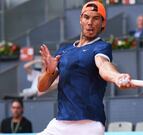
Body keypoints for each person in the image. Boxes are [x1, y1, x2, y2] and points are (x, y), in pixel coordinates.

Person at [37, 1, 135, 135]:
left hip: (89, 124)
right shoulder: (63, 51)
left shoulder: (101, 47)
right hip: (60, 124)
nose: (90, 22)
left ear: (103, 23)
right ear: (80, 19)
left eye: (96, 18)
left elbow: (104, 66)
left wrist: (117, 77)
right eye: (87, 17)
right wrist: (49, 72)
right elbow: (41, 87)